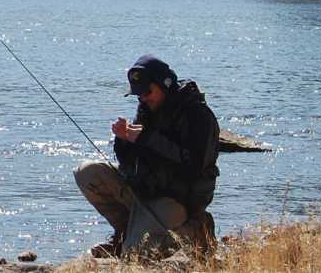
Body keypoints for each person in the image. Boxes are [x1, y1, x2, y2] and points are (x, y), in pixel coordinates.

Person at [73, 55, 220, 259]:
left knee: (135, 256)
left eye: (147, 92)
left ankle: (197, 229)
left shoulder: (198, 115)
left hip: (179, 199)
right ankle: (124, 232)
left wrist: (146, 139)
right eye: (138, 95)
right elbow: (130, 161)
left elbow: (193, 166)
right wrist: (124, 141)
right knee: (87, 172)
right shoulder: (147, 109)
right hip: (145, 190)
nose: (143, 98)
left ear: (165, 84)